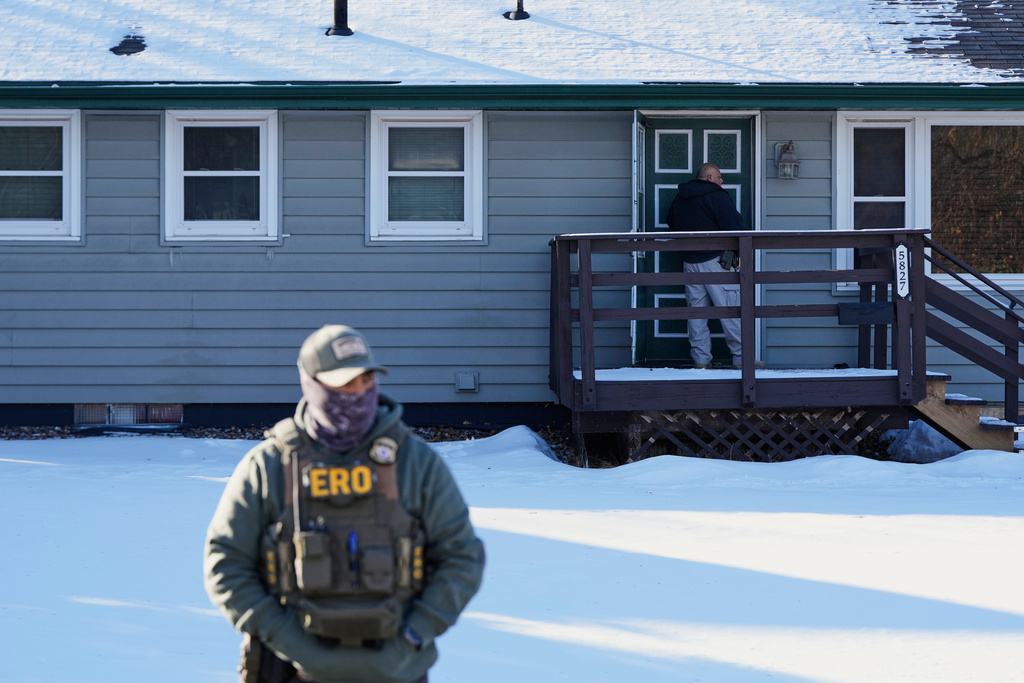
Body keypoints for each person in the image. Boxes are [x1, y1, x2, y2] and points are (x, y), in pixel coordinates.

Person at [204, 325, 485, 683]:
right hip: (288, 668)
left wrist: (412, 638)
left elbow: (462, 557)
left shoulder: (415, 463)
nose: (358, 393)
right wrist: (290, 641)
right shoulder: (269, 465)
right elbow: (226, 563)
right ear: (311, 384)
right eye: (343, 384)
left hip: (396, 669)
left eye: (366, 380)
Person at [665, 162, 762, 370]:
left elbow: (670, 221)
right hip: (716, 262)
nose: (722, 181)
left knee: (696, 315)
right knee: (731, 312)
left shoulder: (680, 198)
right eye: (720, 177)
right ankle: (742, 359)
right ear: (710, 177)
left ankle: (701, 361)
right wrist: (740, 255)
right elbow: (734, 227)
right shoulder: (717, 196)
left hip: (690, 263)